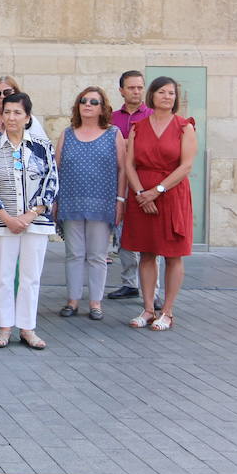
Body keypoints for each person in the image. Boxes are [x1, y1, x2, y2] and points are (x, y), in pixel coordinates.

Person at [0, 91, 58, 350]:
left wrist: (29, 214)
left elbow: (51, 183)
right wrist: (6, 217)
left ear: (27, 117)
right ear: (0, 117)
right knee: (3, 275)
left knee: (30, 276)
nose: (11, 117)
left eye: (17, 112)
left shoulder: (42, 146)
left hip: (35, 222)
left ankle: (27, 328)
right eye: (7, 112)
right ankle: (4, 328)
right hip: (3, 223)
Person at [122, 76, 196, 332]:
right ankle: (148, 308)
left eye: (172, 93)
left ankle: (168, 311)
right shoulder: (138, 127)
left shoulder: (184, 127)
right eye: (162, 92)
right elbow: (129, 164)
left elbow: (186, 165)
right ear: (152, 95)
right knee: (146, 252)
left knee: (173, 254)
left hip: (171, 194)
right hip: (142, 195)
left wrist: (157, 190)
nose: (167, 96)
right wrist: (142, 193)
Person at [54, 86, 125, 321]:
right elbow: (57, 169)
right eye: (83, 100)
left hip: (102, 202)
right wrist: (55, 200)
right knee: (74, 253)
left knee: (97, 255)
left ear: (103, 107)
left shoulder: (113, 134)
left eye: (94, 102)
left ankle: (95, 303)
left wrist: (120, 200)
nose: (88, 105)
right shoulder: (67, 133)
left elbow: (122, 170)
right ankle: (72, 300)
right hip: (71, 200)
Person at [107, 70, 152, 302]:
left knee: (148, 235)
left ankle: (151, 290)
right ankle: (129, 283)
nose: (136, 91)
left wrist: (124, 144)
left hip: (145, 182)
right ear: (122, 91)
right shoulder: (112, 118)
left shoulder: (153, 116)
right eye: (131, 87)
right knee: (122, 232)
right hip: (117, 181)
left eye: (139, 87)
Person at [0, 75, 48, 140]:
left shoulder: (28, 119)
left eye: (7, 92)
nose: (2, 96)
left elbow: (44, 145)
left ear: (16, 93)